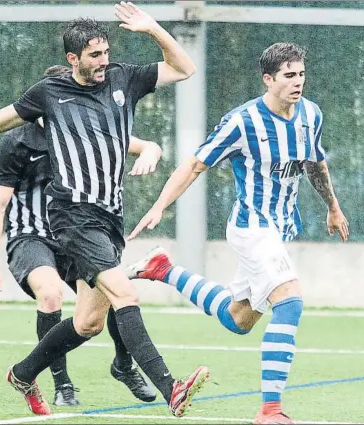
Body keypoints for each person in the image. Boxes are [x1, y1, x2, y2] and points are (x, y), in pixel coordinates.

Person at [0, 2, 209, 417]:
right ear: (72, 58)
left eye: (105, 52)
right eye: (94, 55)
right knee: (125, 292)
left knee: (90, 322)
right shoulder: (48, 94)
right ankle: (171, 387)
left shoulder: (124, 77)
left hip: (111, 216)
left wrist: (153, 29)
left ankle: (23, 372)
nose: (103, 61)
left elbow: (183, 68)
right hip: (73, 216)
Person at [127, 42, 349, 425]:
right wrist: (160, 205)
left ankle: (164, 270)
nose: (298, 82)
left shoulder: (310, 114)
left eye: (301, 74)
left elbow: (315, 161)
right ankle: (270, 411)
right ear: (268, 79)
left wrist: (333, 206)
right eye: (289, 76)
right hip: (252, 229)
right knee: (290, 301)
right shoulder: (243, 121)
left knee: (239, 319)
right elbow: (195, 165)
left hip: (278, 230)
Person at [0, 65, 160, 406]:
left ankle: (124, 365)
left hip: (78, 232)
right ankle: (62, 385)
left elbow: (144, 145)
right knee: (50, 295)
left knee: (108, 293)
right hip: (32, 236)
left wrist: (151, 151)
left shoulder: (87, 129)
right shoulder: (16, 141)